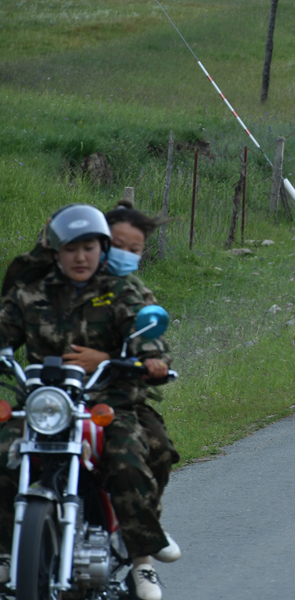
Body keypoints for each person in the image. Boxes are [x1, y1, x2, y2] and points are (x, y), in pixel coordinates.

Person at [0, 205, 175, 600]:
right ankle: (7, 553)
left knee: (131, 457)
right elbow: (4, 330)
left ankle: (140, 558)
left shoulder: (123, 289)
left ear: (103, 248)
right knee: (3, 453)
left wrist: (150, 359)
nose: (81, 257)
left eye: (90, 247)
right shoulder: (31, 291)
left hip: (109, 404)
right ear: (56, 252)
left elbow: (146, 333)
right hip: (45, 404)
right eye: (71, 248)